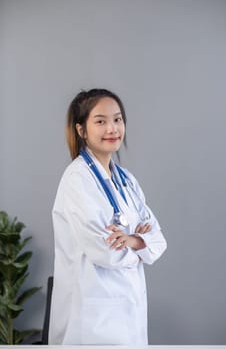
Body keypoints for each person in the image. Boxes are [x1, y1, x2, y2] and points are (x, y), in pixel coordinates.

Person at [49, 88, 167, 345]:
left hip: (129, 314)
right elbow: (106, 252)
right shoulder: (77, 179)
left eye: (118, 119)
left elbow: (158, 241)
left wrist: (133, 241)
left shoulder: (127, 180)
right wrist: (140, 242)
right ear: (81, 130)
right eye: (101, 121)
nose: (112, 128)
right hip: (93, 320)